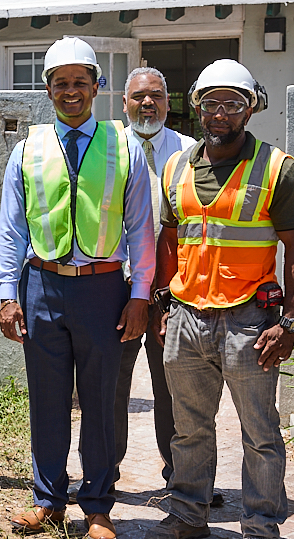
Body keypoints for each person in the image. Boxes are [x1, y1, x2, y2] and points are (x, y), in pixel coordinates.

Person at [143, 60, 294, 539]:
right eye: (212, 103)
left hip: (249, 319)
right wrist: (161, 302)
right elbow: (170, 240)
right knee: (188, 428)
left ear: (251, 109)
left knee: (260, 432)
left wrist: (289, 321)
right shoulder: (177, 166)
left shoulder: (279, 169)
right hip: (187, 316)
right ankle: (188, 514)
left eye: (233, 104)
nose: (221, 113)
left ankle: (261, 531)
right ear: (197, 107)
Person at [0, 37, 155, 539]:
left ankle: (98, 506)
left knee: (103, 401)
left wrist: (141, 296)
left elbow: (140, 228)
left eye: (79, 82)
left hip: (104, 288)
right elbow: (11, 230)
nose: (71, 92)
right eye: (60, 83)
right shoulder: (27, 149)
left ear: (96, 87)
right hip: (42, 285)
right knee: (46, 399)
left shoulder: (125, 145)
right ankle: (47, 498)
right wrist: (7, 293)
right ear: (48, 89)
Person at [113, 66, 196, 495]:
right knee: (112, 384)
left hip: (172, 288)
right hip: (118, 286)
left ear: (169, 102)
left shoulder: (190, 151)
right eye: (139, 97)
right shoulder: (107, 150)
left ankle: (183, 476)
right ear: (123, 103)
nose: (148, 103)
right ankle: (104, 475)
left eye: (157, 96)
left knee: (175, 385)